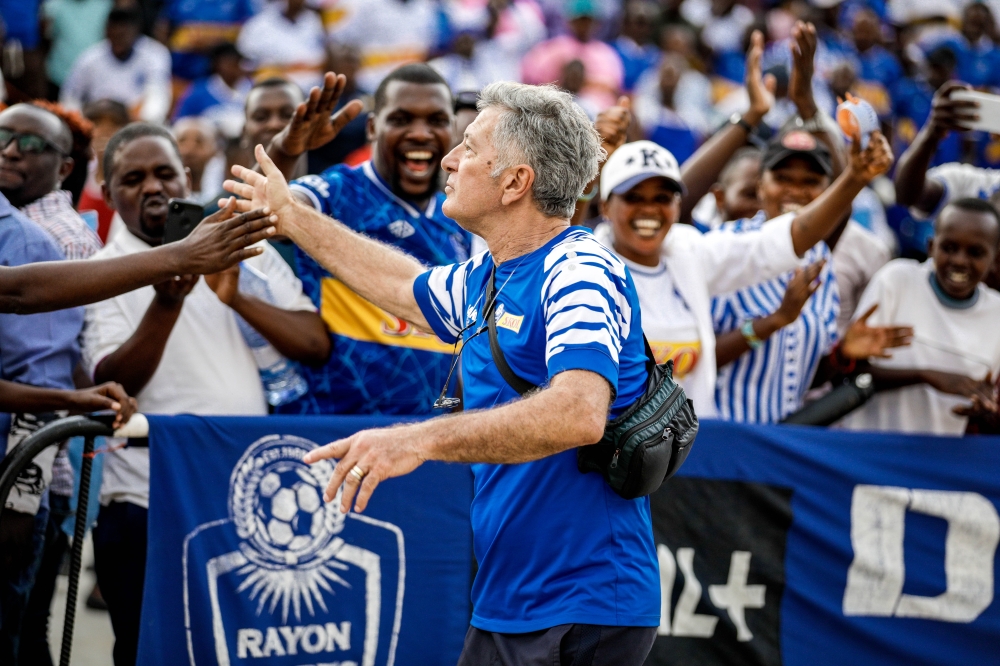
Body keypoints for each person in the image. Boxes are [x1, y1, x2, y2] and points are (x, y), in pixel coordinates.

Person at [228, 79, 659, 666]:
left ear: (515, 181)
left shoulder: (578, 269)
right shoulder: (494, 271)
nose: (450, 160)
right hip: (522, 597)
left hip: (580, 602)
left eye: (470, 146)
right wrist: (289, 217)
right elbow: (401, 285)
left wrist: (417, 439)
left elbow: (577, 412)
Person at [81, 122, 327, 666]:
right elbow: (114, 383)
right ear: (107, 188)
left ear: (187, 177)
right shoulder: (99, 273)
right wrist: (166, 302)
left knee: (243, 650)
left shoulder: (241, 246)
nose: (152, 188)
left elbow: (314, 343)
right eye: (132, 178)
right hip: (144, 503)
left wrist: (237, 298)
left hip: (246, 491)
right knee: (151, 651)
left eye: (164, 173)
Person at [261, 64, 472, 416]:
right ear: (373, 127)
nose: (420, 133)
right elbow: (270, 208)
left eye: (436, 120)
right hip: (334, 430)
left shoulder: (461, 217)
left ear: (452, 129)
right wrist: (286, 149)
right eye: (402, 119)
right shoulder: (338, 190)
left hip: (428, 440)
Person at [839, 198, 1000, 435]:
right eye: (949, 248)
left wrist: (985, 414)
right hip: (871, 451)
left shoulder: (996, 314)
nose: (959, 261)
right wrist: (926, 376)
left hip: (939, 463)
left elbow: (989, 409)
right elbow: (854, 373)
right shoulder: (897, 281)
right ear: (931, 247)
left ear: (995, 260)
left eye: (975, 253)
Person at [0, 103, 101, 260]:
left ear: (64, 169)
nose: (9, 151)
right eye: (2, 136)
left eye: (32, 144)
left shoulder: (66, 239)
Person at [59, 7, 172, 124]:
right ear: (107, 31)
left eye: (122, 35)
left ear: (135, 31)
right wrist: (82, 122)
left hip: (135, 121)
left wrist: (142, 121)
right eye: (114, 35)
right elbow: (69, 98)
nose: (118, 41)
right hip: (97, 118)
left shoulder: (155, 55)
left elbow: (158, 98)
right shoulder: (90, 58)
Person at [520, 0, 625, 111]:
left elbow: (614, 88)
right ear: (569, 21)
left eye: (588, 20)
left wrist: (586, 82)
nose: (584, 25)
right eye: (580, 20)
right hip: (557, 109)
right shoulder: (551, 49)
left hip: (596, 116)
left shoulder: (606, 54)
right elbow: (531, 80)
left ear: (596, 23)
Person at [326, 0, 440, 93]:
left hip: (412, 85)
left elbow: (430, 49)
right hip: (370, 86)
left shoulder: (427, 7)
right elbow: (339, 42)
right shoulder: (363, 4)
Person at [236, 0, 326, 93]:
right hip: (273, 92)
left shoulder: (313, 21)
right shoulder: (258, 26)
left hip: (315, 90)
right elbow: (244, 64)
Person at [173, 42, 253, 140]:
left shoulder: (255, 89)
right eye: (231, 63)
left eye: (238, 62)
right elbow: (180, 123)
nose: (236, 68)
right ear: (217, 65)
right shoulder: (199, 92)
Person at [40, 0, 113, 98]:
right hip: (59, 77)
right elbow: (47, 38)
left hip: (94, 81)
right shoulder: (53, 6)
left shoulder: (106, 5)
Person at [173, 117, 225, 205]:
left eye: (199, 142)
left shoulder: (223, 200)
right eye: (182, 140)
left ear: (214, 150)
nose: (188, 149)